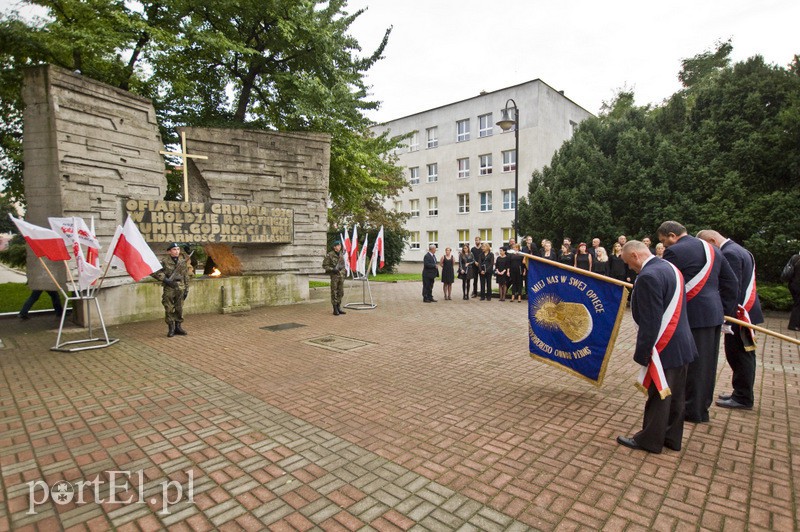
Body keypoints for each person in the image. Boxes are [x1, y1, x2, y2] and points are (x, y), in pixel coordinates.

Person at [617, 241, 697, 453]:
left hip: (665, 345)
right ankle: (671, 438)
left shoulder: (648, 277)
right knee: (676, 395)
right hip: (683, 343)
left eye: (628, 263)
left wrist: (642, 353)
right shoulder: (670, 268)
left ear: (635, 255)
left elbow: (651, 321)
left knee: (659, 393)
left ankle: (649, 440)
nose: (630, 268)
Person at [657, 221, 738, 423]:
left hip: (690, 314)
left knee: (690, 363)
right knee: (707, 364)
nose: (665, 246)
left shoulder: (674, 252)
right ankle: (701, 407)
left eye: (664, 241)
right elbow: (731, 282)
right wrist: (726, 310)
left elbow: (669, 282)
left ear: (672, 235)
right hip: (713, 314)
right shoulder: (713, 250)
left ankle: (691, 409)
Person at [697, 229, 764, 409]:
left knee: (740, 355)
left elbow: (731, 287)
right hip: (743, 311)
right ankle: (740, 392)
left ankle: (743, 397)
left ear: (712, 240)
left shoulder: (729, 253)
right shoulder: (739, 250)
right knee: (740, 354)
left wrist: (726, 315)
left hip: (739, 313)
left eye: (709, 247)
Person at [151, 242, 191, 337]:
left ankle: (178, 327)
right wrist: (165, 279)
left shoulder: (182, 261)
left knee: (179, 307)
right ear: (169, 251)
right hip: (169, 287)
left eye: (178, 249)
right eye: (174, 249)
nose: (176, 251)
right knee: (168, 307)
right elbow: (154, 272)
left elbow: (186, 276)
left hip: (180, 286)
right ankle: (171, 328)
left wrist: (186, 289)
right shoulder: (164, 261)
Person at [322, 239, 347, 315]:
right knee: (334, 292)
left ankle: (339, 307)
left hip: (341, 276)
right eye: (338, 245)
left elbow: (342, 264)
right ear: (334, 247)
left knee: (341, 292)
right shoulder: (329, 255)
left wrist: (344, 271)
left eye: (340, 245)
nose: (340, 247)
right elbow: (324, 266)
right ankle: (335, 309)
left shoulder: (341, 254)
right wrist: (332, 269)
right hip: (334, 276)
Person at [787, 251, 800, 331]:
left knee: (797, 304)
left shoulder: (795, 257)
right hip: (798, 285)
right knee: (798, 305)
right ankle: (793, 325)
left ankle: (796, 324)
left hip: (792, 284)